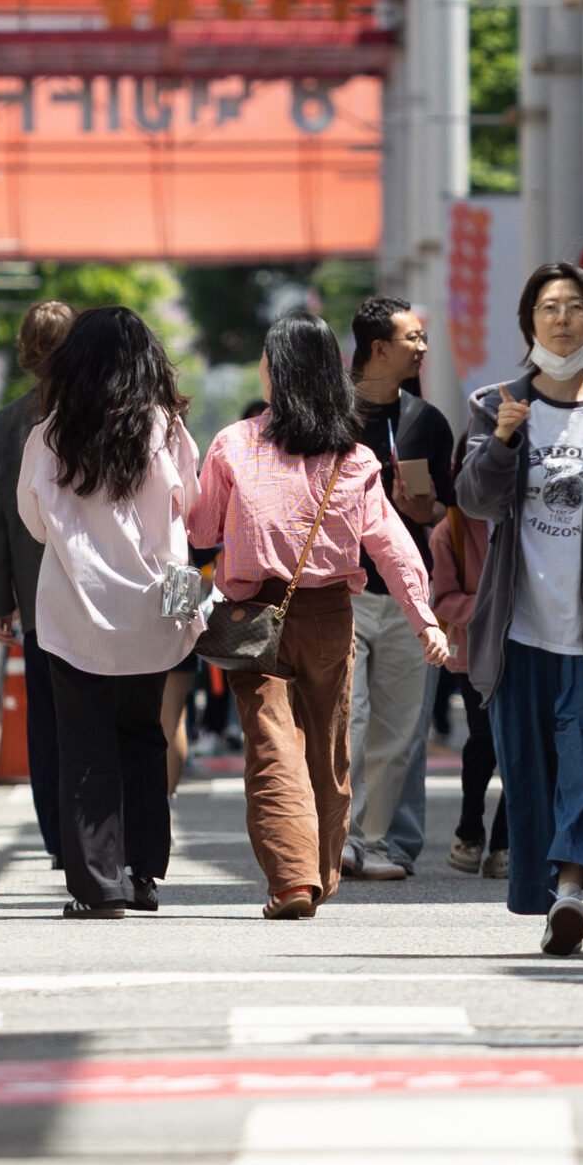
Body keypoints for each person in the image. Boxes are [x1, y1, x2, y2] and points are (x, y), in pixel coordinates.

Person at [188, 314, 450, 919]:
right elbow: (390, 544)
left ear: (277, 371)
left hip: (253, 616)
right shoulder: (354, 457)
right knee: (328, 751)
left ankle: (292, 878)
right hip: (333, 615)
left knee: (272, 744)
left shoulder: (233, 444)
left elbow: (201, 531)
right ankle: (318, 871)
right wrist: (424, 620)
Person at [455, 262, 583, 955]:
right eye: (547, 307)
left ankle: (568, 892)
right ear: (529, 322)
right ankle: (543, 894)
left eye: (574, 306)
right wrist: (503, 440)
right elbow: (473, 499)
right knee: (527, 771)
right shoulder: (494, 402)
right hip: (519, 630)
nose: (561, 319)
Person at [18, 306, 203, 918]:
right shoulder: (165, 428)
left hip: (76, 612)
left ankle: (99, 887)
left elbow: (33, 520)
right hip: (152, 610)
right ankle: (144, 874)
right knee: (143, 736)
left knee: (85, 746)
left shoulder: (51, 433)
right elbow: (189, 509)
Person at [344, 295, 457, 881]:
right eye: (412, 338)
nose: (423, 348)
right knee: (351, 719)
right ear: (378, 348)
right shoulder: (329, 417)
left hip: (410, 597)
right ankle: (341, 835)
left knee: (398, 728)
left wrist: (424, 507)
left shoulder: (427, 421)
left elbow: (449, 510)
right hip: (344, 590)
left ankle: (381, 843)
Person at [0, 301, 75, 862]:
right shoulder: (112, 413)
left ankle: (59, 838)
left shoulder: (1, 427)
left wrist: (0, 599)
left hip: (39, 601)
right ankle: (100, 834)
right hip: (106, 599)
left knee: (45, 724)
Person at [435, 507, 508, 877]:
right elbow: (441, 598)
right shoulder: (451, 529)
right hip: (472, 651)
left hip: (520, 649)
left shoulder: (524, 514)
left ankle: (504, 842)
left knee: (515, 745)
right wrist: (490, 607)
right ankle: (469, 828)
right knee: (482, 741)